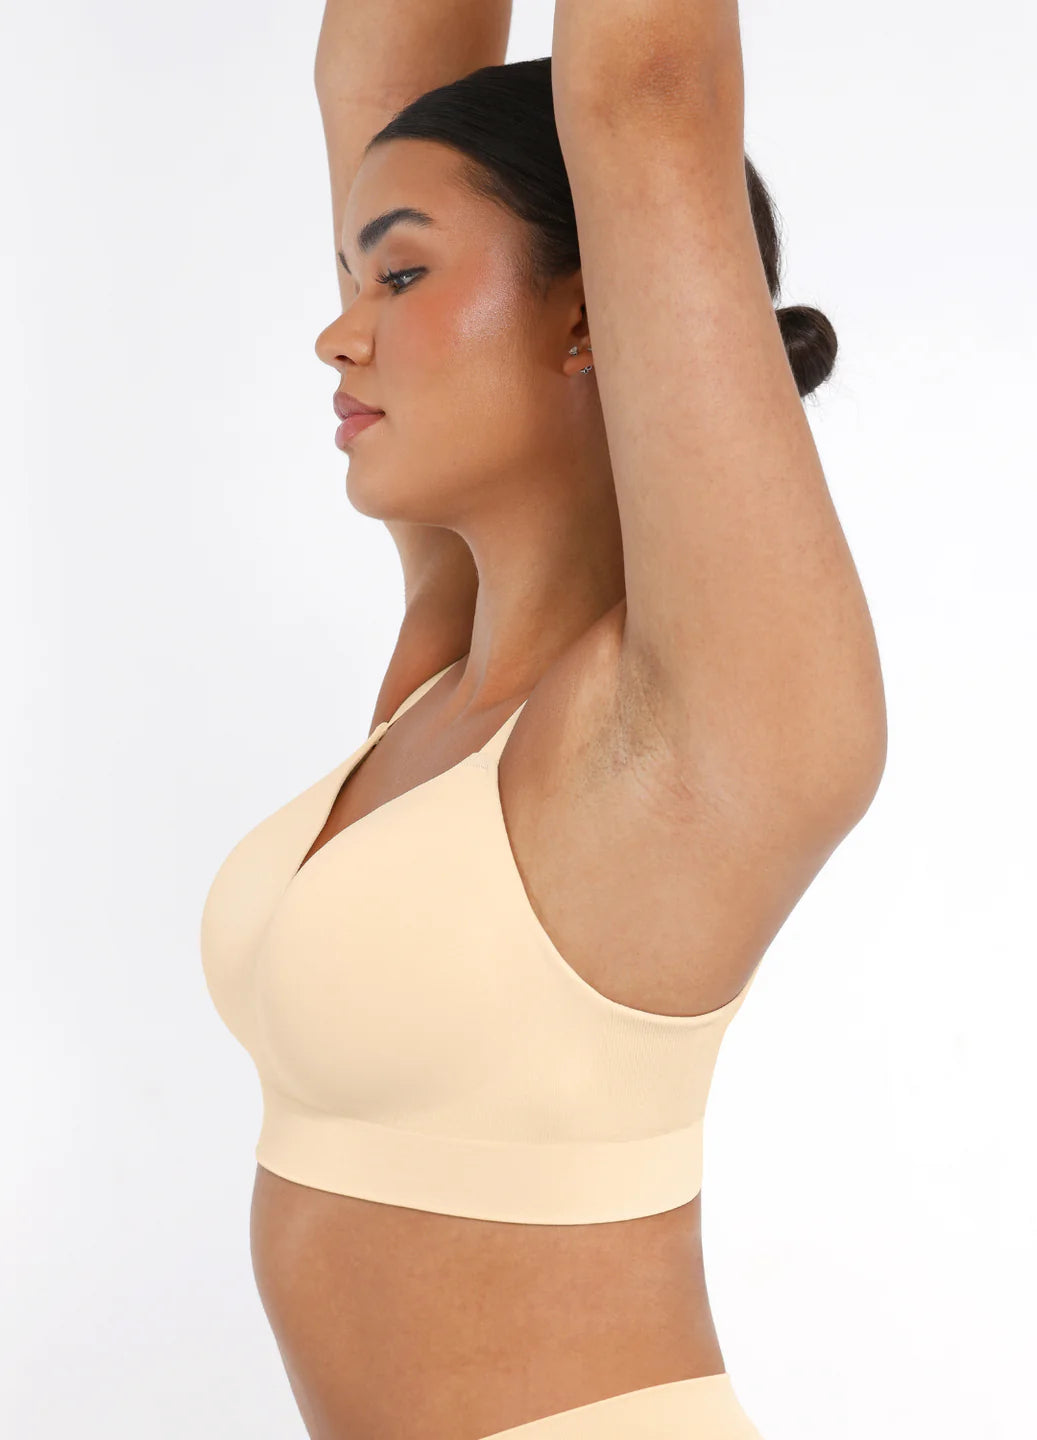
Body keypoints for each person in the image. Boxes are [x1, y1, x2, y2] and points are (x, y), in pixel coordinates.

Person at [200, 2, 887, 1435]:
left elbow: (646, 92)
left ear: (587, 317)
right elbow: (377, 73)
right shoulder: (447, 670)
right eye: (351, 277)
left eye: (399, 275)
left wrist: (645, 153)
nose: (336, 332)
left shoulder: (709, 723)